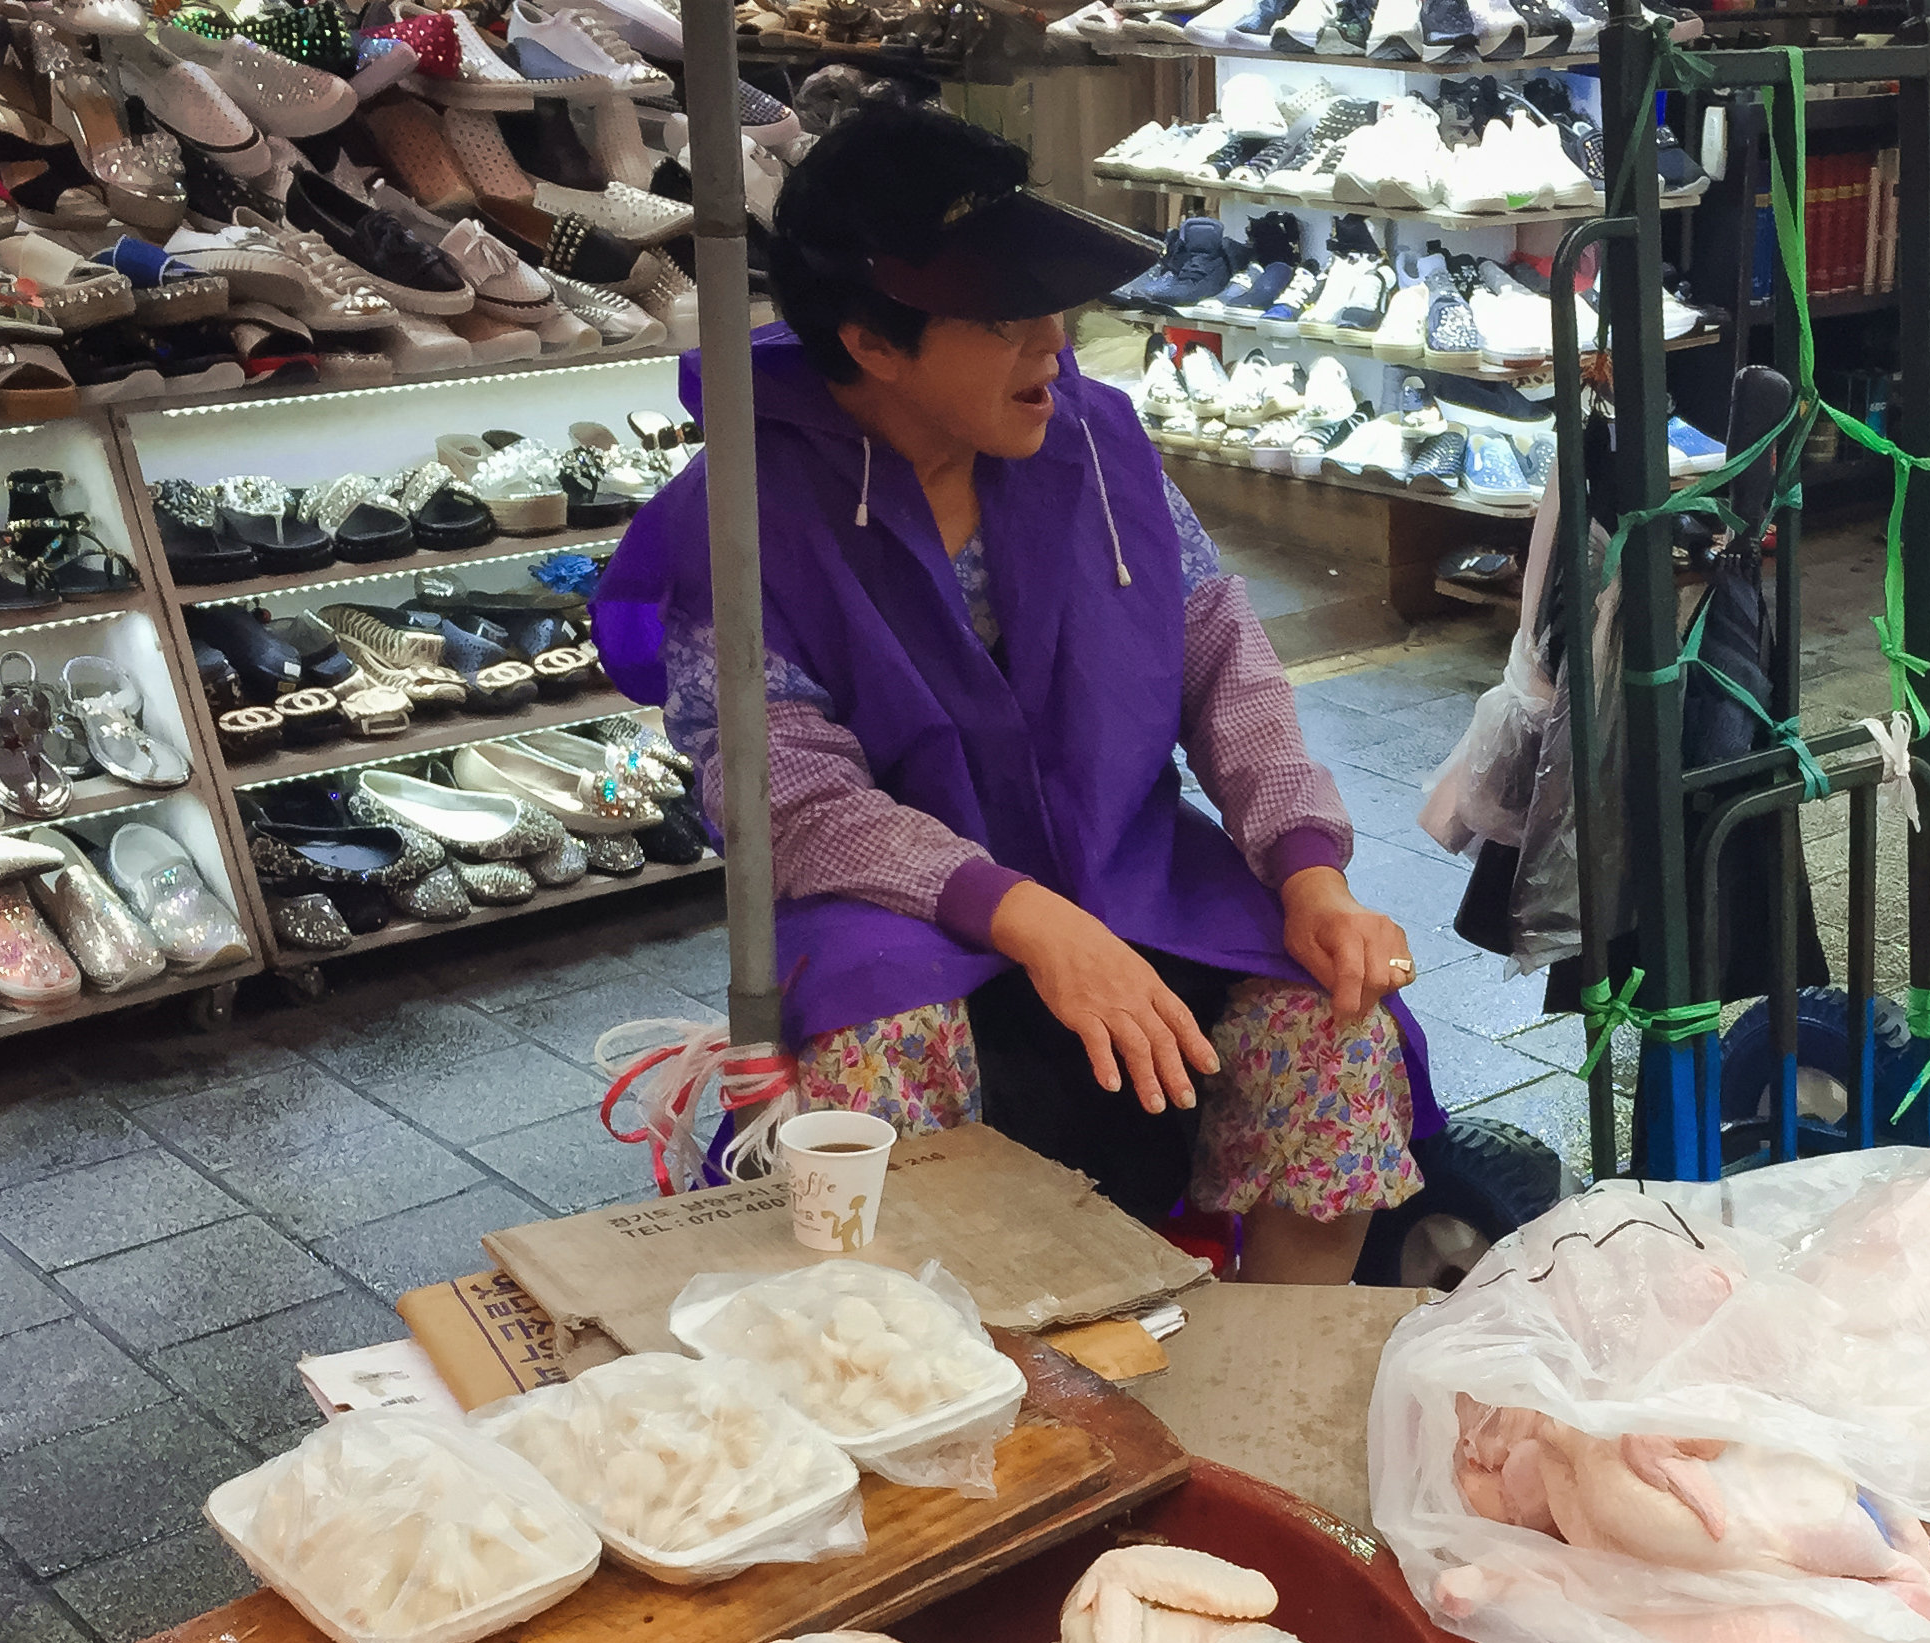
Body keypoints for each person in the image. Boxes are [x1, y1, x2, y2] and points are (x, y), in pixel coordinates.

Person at [596, 104, 1433, 1284]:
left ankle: (1272, 1388)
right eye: (1003, 316)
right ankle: (938, 1377)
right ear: (874, 343)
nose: (1055, 338)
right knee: (878, 1049)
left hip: (1118, 858)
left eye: (1050, 302)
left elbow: (1222, 663)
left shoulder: (1095, 443)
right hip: (894, 904)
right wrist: (1029, 918)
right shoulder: (736, 517)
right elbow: (789, 801)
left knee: (1329, 1014)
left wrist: (1310, 871)